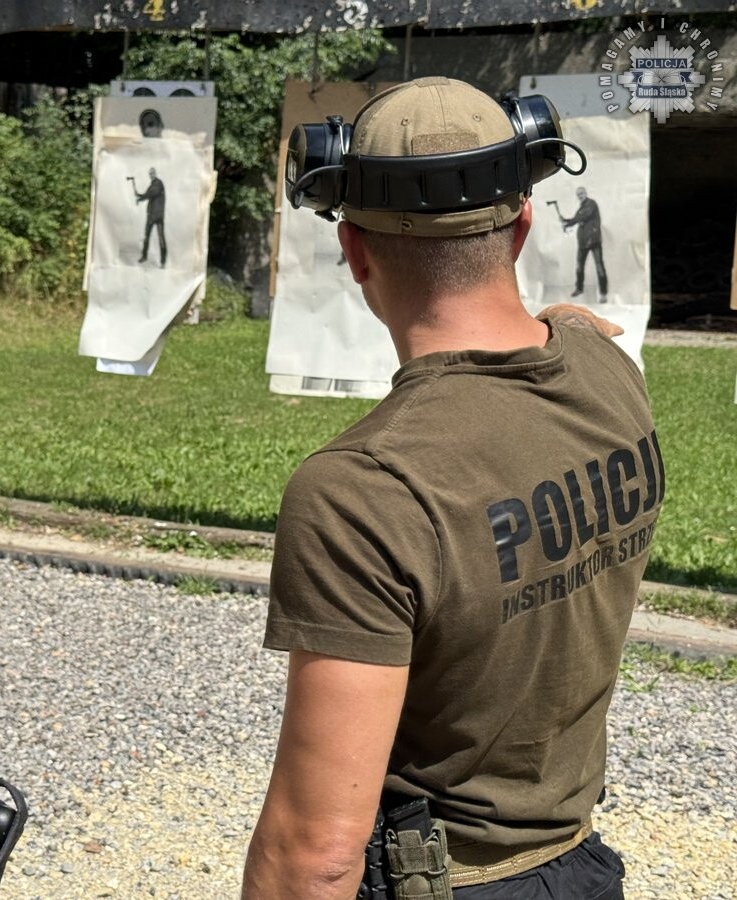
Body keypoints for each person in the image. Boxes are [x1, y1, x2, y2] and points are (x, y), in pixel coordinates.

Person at [244, 77, 661, 900]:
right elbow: (562, 339)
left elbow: (317, 851)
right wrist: (563, 323)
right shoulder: (610, 372)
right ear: (522, 225)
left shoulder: (360, 492)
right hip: (580, 866)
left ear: (355, 250)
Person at [562, 186, 608, 301]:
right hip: (583, 242)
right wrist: (566, 221)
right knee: (579, 266)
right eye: (578, 194)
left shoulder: (591, 204)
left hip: (593, 241)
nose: (580, 196)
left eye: (581, 193)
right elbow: (577, 218)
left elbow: (582, 216)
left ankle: (603, 294)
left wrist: (568, 223)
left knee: (599, 266)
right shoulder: (581, 207)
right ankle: (579, 288)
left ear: (585, 193)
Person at [132, 166, 167, 267]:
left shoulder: (158, 184)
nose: (151, 175)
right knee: (147, 236)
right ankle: (144, 256)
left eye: (152, 173)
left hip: (156, 216)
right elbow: (147, 194)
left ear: (155, 173)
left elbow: (151, 193)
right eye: (150, 174)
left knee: (159, 238)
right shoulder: (153, 184)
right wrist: (139, 196)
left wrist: (140, 197)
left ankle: (162, 262)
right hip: (153, 215)